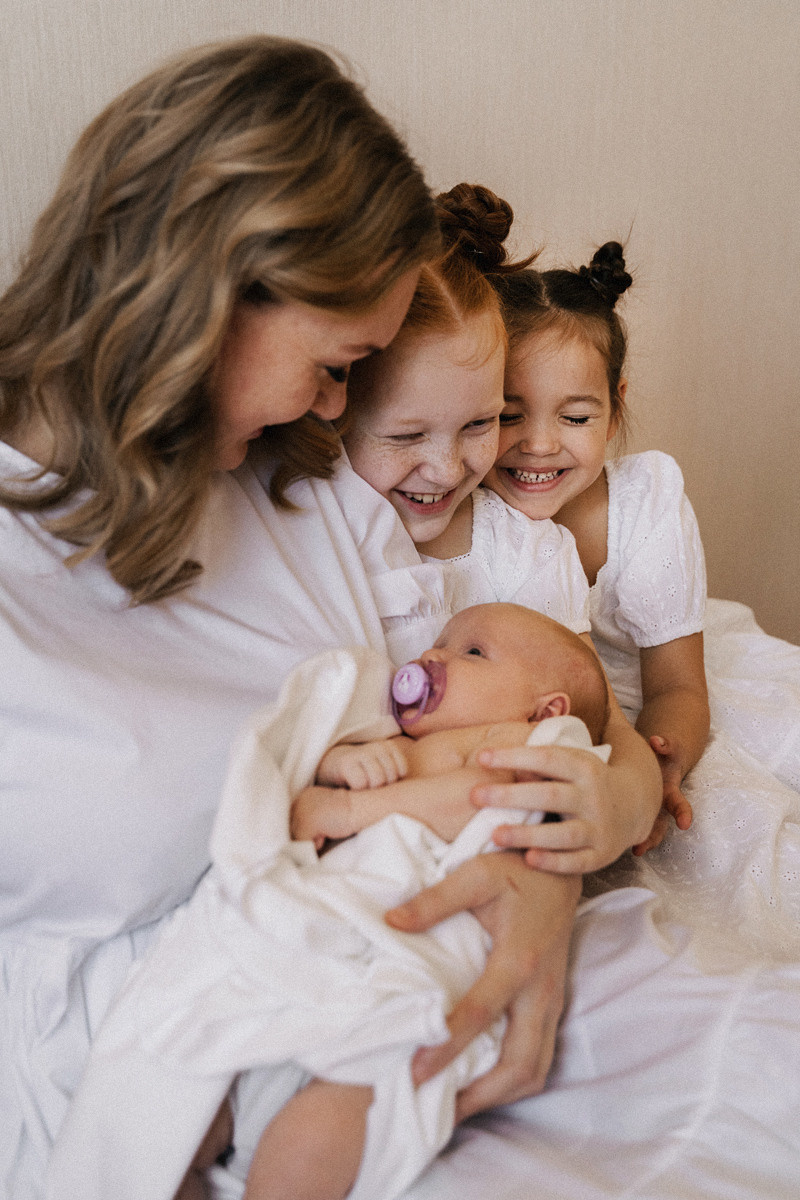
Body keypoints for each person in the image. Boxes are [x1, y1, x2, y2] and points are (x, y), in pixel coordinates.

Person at [0, 43, 660, 1200]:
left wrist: (571, 846)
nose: (332, 407)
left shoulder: (303, 487)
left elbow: (535, 717)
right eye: (332, 364)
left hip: (369, 1014)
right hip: (131, 1085)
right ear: (206, 292)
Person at [48, 604, 612, 1200]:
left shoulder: (527, 743)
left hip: (385, 986)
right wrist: (339, 763)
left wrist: (351, 808)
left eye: (472, 652)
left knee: (317, 1137)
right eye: (440, 641)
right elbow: (311, 783)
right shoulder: (383, 735)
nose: (434, 656)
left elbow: (486, 799)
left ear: (546, 709)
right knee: (169, 1117)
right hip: (298, 954)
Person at [342, 187, 661, 872]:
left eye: (482, 423)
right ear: (334, 409)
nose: (448, 466)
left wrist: (630, 797)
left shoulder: (528, 549)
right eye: (406, 434)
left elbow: (595, 718)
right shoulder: (325, 530)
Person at [485, 243, 711, 854]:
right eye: (508, 414)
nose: (538, 444)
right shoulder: (462, 511)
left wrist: (661, 762)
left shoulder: (645, 505)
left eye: (576, 418)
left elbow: (679, 686)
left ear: (614, 412)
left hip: (627, 711)